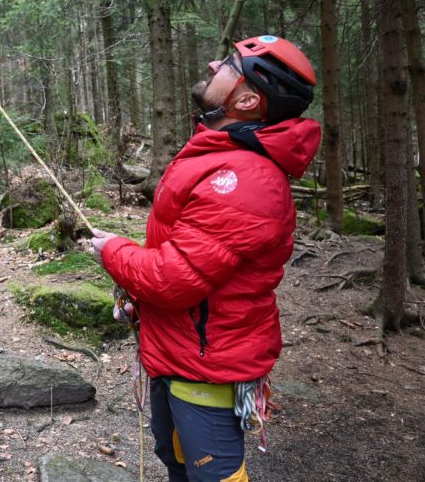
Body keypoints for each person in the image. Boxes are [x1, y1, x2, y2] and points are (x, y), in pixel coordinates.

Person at [90, 35, 321, 481]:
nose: (215, 63)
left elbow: (174, 280)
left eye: (231, 64)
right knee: (175, 459)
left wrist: (114, 252)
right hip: (181, 349)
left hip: (205, 365)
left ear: (249, 100)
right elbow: (190, 259)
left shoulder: (245, 179)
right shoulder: (221, 153)